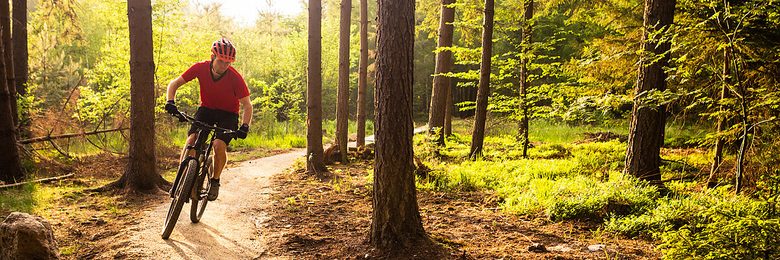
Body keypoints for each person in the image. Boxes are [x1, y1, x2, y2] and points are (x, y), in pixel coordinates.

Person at [163, 37, 252, 201]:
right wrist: (170, 101)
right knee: (192, 140)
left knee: (219, 145)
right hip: (207, 110)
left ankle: (215, 180)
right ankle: (182, 176)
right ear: (212, 57)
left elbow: (247, 105)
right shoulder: (200, 68)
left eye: (228, 63)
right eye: (221, 61)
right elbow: (174, 84)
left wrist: (245, 126)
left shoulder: (235, 78)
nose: (224, 66)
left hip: (228, 114)